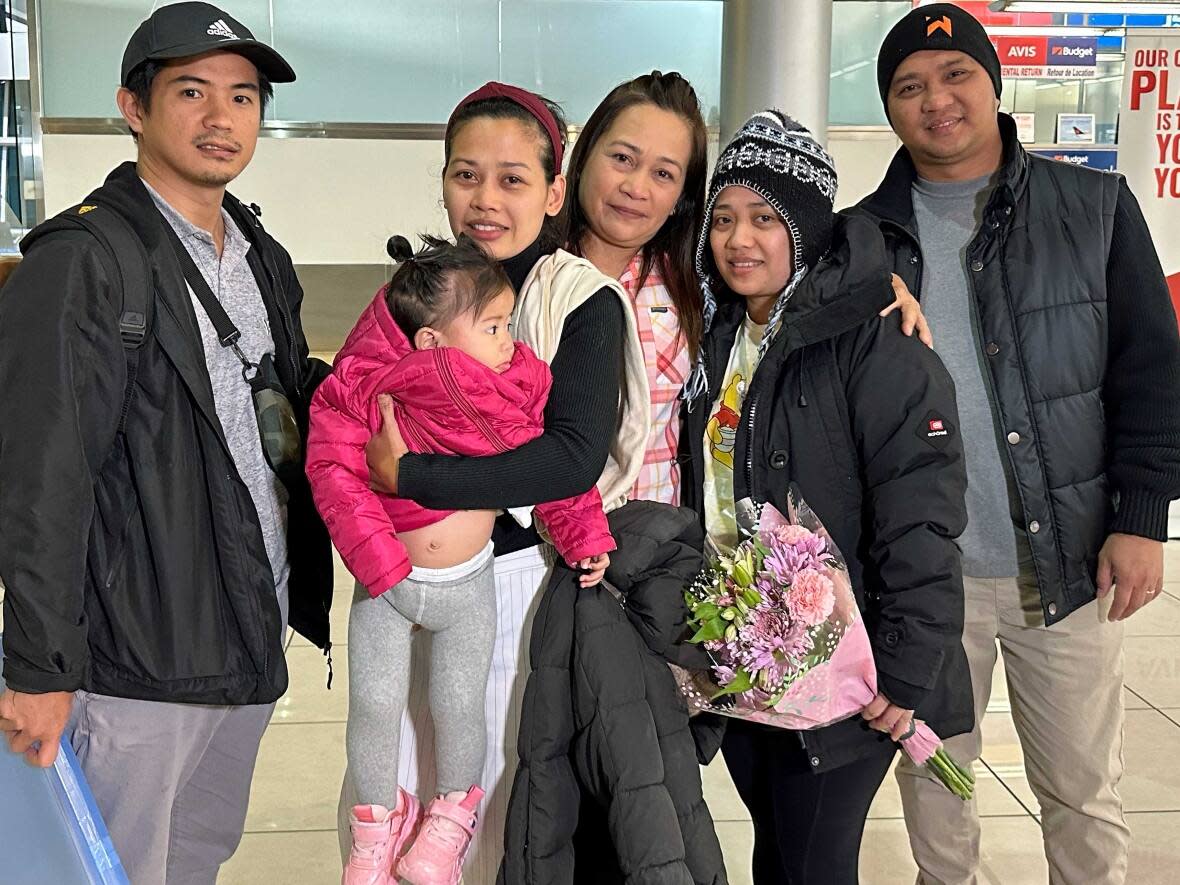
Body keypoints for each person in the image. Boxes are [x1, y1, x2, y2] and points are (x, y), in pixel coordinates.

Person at [0, 3, 333, 883]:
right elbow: (41, 477)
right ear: (133, 106)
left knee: (195, 856)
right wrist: (36, 665)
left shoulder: (262, 252)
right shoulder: (82, 261)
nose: (221, 118)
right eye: (191, 91)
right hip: (135, 657)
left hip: (246, 633)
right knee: (112, 864)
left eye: (242, 96)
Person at [857, 6, 1180, 884]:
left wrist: (1142, 517)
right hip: (921, 581)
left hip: (1066, 570)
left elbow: (1151, 370)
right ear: (890, 108)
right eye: (909, 86)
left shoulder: (1095, 208)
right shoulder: (859, 236)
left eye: (955, 74)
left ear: (992, 83)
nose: (937, 100)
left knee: (1081, 796)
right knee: (936, 784)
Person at [353, 82, 638, 882]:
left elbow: (570, 457)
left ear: (554, 191)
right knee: (384, 786)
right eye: (464, 174)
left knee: (480, 808)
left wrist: (410, 474)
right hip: (390, 571)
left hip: (510, 584)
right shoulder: (413, 292)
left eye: (512, 179)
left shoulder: (577, 301)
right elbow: (352, 408)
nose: (484, 199)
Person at [681, 110, 971, 885]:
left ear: (806, 228)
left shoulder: (875, 337)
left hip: (849, 675)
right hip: (749, 662)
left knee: (813, 862)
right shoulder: (718, 331)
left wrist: (908, 673)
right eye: (724, 219)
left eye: (766, 219)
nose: (740, 240)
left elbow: (922, 511)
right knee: (777, 851)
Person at [307, 234, 614, 885]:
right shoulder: (364, 386)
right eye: (495, 325)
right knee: (375, 706)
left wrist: (583, 533)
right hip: (386, 589)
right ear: (431, 341)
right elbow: (332, 473)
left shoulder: (513, 388)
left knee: (458, 707)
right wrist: (381, 564)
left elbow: (551, 471)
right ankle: (375, 827)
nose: (510, 338)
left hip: (469, 590)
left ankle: (450, 820)